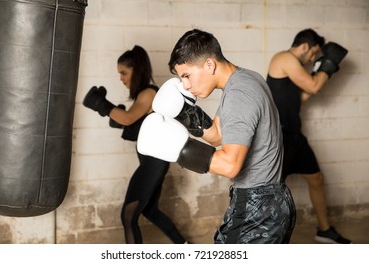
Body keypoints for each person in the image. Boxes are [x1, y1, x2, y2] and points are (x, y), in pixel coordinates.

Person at [137, 29, 296, 244]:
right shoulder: (244, 79)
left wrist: (180, 149)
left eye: (187, 75)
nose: (185, 85)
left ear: (209, 65)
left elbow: (230, 165)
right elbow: (218, 136)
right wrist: (185, 112)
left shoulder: (238, 95)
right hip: (271, 202)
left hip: (258, 208)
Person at [83, 45, 187, 244]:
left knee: (128, 216)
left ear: (136, 70)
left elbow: (128, 118)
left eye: (124, 73)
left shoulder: (148, 92)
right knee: (150, 210)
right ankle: (185, 246)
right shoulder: (144, 94)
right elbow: (131, 124)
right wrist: (110, 111)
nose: (121, 78)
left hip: (153, 163)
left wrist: (101, 104)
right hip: (153, 163)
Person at [266, 28, 351, 244]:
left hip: (294, 135)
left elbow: (302, 96)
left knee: (316, 178)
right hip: (279, 137)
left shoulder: (293, 71)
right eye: (314, 53)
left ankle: (324, 229)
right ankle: (263, 240)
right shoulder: (284, 58)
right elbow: (313, 86)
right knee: (271, 190)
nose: (313, 59)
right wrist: (328, 65)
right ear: (305, 47)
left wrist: (323, 74)